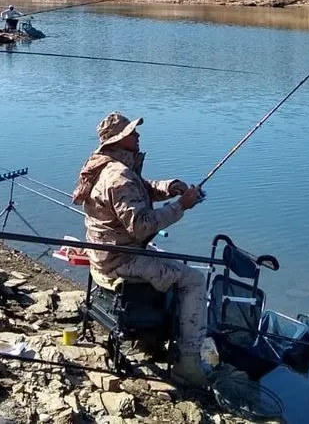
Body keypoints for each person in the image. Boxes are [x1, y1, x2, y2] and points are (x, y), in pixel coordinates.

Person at [71, 112, 208, 386]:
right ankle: (188, 363)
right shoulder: (119, 177)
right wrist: (182, 205)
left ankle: (151, 340)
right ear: (120, 140)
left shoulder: (105, 165)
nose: (138, 135)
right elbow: (142, 227)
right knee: (194, 279)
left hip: (105, 254)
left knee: (171, 266)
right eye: (133, 133)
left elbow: (142, 190)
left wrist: (171, 188)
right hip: (120, 260)